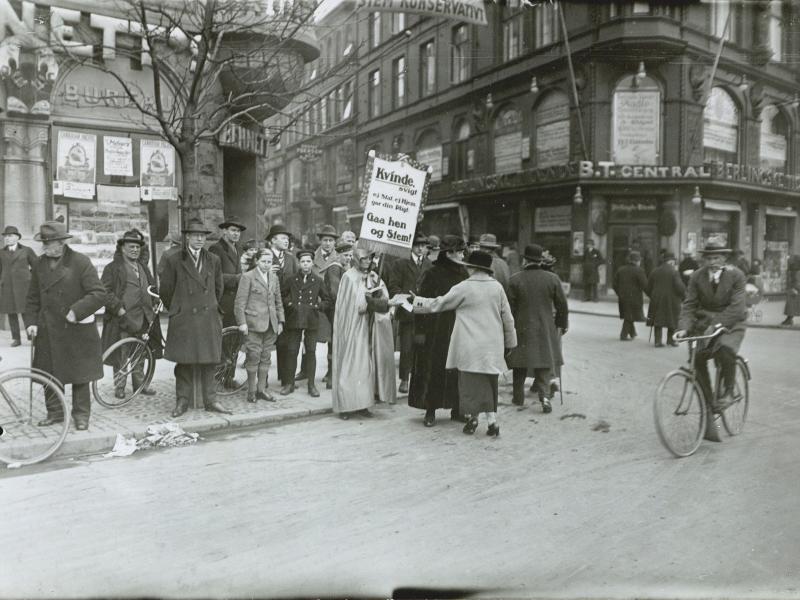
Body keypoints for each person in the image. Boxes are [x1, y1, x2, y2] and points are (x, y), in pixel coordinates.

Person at [411, 250, 516, 437]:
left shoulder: (464, 287)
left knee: (469, 384)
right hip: (492, 346)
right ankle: (492, 421)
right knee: (489, 382)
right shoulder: (497, 288)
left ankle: (473, 418)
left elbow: (439, 304)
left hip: (470, 346)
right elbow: (508, 318)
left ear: (473, 268)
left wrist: (416, 302)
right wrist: (510, 343)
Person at [23, 221, 106, 430]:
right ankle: (55, 413)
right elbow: (32, 297)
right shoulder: (40, 264)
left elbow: (98, 294)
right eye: (43, 242)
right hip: (48, 328)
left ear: (61, 243)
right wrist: (31, 322)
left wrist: (76, 311)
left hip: (75, 328)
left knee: (80, 375)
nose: (45, 247)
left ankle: (81, 415)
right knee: (49, 374)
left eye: (49, 243)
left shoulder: (80, 262)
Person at [674, 242, 747, 442]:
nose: (712, 262)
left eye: (716, 258)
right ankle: (709, 402)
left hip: (731, 323)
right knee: (696, 359)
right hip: (704, 324)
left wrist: (717, 324)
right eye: (708, 258)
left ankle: (729, 392)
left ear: (724, 258)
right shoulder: (697, 276)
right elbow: (689, 304)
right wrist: (682, 328)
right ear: (703, 260)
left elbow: (738, 308)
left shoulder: (737, 275)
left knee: (725, 350)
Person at [159, 218, 231, 418]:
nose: (200, 239)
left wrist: (213, 308)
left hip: (208, 316)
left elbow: (219, 288)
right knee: (184, 362)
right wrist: (179, 308)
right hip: (185, 318)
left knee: (210, 361)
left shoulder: (212, 260)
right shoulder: (175, 260)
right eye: (196, 235)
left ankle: (211, 400)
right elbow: (165, 290)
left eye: (203, 236)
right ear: (188, 237)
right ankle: (182, 401)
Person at [408, 235, 468, 427]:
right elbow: (421, 304)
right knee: (433, 368)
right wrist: (420, 332)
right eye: (459, 251)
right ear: (448, 253)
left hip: (458, 329)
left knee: (457, 369)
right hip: (435, 331)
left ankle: (457, 409)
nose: (462, 254)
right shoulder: (432, 274)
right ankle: (430, 409)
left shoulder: (464, 274)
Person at [332, 247, 395, 419]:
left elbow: (384, 299)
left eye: (370, 259)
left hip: (370, 326)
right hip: (353, 326)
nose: (368, 262)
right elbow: (347, 305)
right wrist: (364, 302)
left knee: (366, 366)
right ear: (357, 259)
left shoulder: (375, 277)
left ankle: (363, 403)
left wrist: (378, 295)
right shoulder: (348, 277)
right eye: (364, 259)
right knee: (351, 363)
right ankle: (346, 405)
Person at [100, 229, 163, 399]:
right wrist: (118, 309)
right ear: (122, 248)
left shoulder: (142, 267)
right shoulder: (113, 268)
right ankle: (120, 386)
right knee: (122, 354)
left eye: (137, 247)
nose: (135, 250)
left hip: (144, 317)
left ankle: (140, 384)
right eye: (131, 247)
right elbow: (104, 292)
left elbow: (152, 288)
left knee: (141, 352)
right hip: (122, 318)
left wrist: (156, 301)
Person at [506, 244, 568, 414]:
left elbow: (509, 309)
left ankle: (518, 397)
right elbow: (562, 305)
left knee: (519, 362)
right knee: (544, 362)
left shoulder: (515, 279)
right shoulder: (552, 279)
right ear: (541, 261)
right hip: (545, 326)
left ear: (525, 260)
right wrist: (562, 324)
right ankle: (545, 397)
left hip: (521, 326)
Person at [278, 249, 332, 397]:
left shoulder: (317, 280)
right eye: (303, 261)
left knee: (311, 352)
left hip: (311, 319)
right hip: (294, 318)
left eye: (308, 261)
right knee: (292, 351)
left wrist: (317, 307)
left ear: (312, 263)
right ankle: (289, 383)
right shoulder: (291, 279)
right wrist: (289, 304)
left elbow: (327, 300)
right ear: (299, 263)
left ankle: (311, 385)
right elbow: (281, 295)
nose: (305, 264)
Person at [234, 249, 284, 403]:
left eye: (269, 262)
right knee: (253, 357)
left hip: (271, 325)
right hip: (253, 325)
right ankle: (251, 391)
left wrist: (281, 321)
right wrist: (242, 323)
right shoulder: (248, 277)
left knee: (266, 358)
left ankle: (262, 390)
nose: (267, 265)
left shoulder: (274, 277)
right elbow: (239, 303)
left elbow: (278, 301)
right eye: (264, 261)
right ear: (256, 261)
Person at [388, 231, 431, 394]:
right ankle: (404, 379)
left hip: (425, 311)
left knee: (423, 347)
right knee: (406, 347)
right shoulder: (400, 263)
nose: (420, 249)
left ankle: (420, 379)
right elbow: (394, 286)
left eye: (423, 246)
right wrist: (405, 301)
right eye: (417, 246)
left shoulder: (429, 265)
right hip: (407, 312)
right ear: (411, 247)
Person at [266, 223, 298, 390]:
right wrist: (265, 270)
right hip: (268, 306)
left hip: (288, 307)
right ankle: (261, 382)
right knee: (265, 343)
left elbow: (298, 278)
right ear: (273, 240)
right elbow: (251, 275)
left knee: (287, 344)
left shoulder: (291, 258)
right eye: (283, 238)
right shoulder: (265, 256)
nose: (287, 241)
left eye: (287, 238)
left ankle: (287, 380)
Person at [319, 241, 353, 389]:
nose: (349, 258)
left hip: (341, 309)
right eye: (346, 255)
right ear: (338, 255)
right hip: (336, 310)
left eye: (351, 255)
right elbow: (336, 292)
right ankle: (332, 376)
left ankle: (332, 374)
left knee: (337, 341)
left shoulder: (346, 268)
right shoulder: (334, 268)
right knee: (335, 341)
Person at [0, 225, 37, 347]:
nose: (7, 239)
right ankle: (16, 338)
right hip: (8, 287)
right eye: (6, 237)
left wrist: (29, 278)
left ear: (17, 237)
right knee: (11, 313)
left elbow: (37, 267)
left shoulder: (27, 250)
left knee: (26, 311)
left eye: (10, 236)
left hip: (24, 287)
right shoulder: (1, 252)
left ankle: (31, 336)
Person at [208, 215, 245, 330]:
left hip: (237, 301)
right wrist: (237, 278)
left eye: (238, 231)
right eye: (233, 230)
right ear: (224, 231)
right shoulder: (216, 248)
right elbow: (213, 276)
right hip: (224, 300)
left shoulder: (239, 249)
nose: (236, 234)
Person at [646, 251, 685, 347]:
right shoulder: (674, 272)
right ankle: (670, 340)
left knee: (657, 320)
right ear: (671, 261)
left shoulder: (655, 271)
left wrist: (653, 296)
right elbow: (680, 287)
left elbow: (647, 288)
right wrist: (683, 296)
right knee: (672, 319)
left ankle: (657, 341)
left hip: (656, 299)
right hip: (671, 300)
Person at [613, 250, 648, 341]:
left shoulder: (621, 269)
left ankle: (632, 333)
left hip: (623, 297)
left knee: (629, 314)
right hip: (634, 298)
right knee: (629, 316)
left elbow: (614, 284)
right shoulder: (639, 270)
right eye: (639, 260)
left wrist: (619, 293)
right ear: (637, 261)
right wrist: (651, 295)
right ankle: (623, 335)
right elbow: (645, 285)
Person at [781, 254, 800, 326]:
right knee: (792, 306)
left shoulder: (796, 271)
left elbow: (796, 281)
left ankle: (789, 319)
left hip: (795, 291)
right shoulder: (794, 270)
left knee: (791, 306)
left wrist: (794, 288)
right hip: (794, 290)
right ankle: (789, 319)